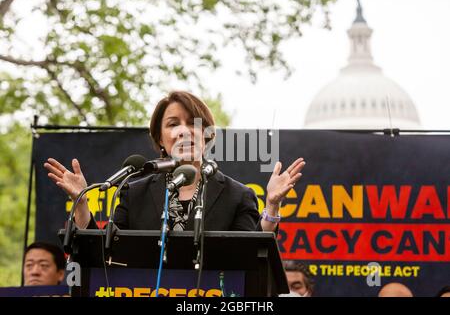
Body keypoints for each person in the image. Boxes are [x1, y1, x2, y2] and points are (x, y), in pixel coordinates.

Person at [44, 91, 306, 232]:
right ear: (160, 138)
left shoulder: (238, 195)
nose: (184, 131)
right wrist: (81, 202)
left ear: (208, 135)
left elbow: (253, 256)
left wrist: (272, 205)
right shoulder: (133, 191)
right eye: (172, 124)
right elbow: (102, 257)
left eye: (194, 123)